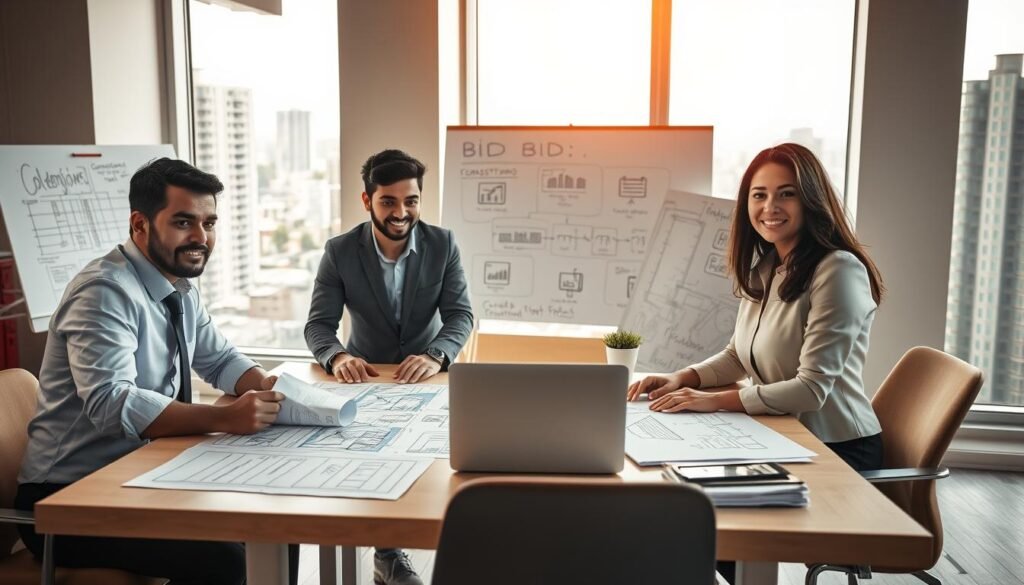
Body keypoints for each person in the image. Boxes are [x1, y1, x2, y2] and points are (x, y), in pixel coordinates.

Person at [15, 158, 295, 585]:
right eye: (184, 222)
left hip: (142, 475)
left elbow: (218, 359)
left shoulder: (180, 286)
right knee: (227, 561)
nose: (201, 237)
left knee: (282, 525)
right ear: (140, 225)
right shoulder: (104, 292)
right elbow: (112, 404)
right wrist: (225, 418)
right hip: (67, 499)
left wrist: (269, 385)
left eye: (209, 223)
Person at [628, 143, 885, 582]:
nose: (770, 207)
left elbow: (811, 390)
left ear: (811, 199)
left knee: (711, 523)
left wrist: (712, 401)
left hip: (835, 450)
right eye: (759, 194)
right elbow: (736, 354)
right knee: (687, 507)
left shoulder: (837, 270)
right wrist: (681, 377)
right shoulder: (770, 265)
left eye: (785, 194)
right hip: (782, 434)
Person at [304, 149, 474, 585]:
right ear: (367, 201)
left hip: (429, 375)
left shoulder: (443, 244)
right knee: (374, 466)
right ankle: (387, 554)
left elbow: (460, 316)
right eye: (388, 202)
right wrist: (338, 356)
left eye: (411, 201)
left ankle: (446, 546)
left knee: (437, 468)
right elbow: (319, 326)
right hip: (367, 377)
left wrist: (437, 355)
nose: (401, 213)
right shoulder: (340, 251)